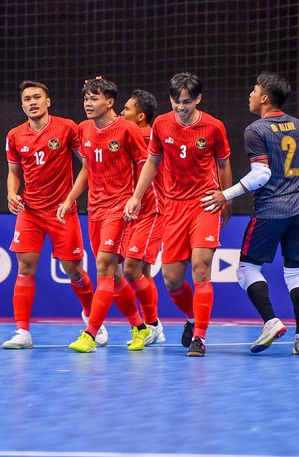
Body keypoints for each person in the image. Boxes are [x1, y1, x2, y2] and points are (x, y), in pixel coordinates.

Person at [200, 72, 299, 355]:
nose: (250, 95)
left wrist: (225, 195)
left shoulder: (256, 130)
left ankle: (270, 321)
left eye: (254, 90)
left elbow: (262, 174)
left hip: (271, 209)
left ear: (265, 98)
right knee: (297, 273)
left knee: (246, 269)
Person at [124, 72, 233, 357]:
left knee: (200, 269)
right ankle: (193, 317)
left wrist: (227, 198)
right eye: (175, 101)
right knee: (172, 280)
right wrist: (137, 196)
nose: (180, 107)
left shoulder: (213, 127)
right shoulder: (161, 124)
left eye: (186, 102)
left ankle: (200, 338)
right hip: (172, 207)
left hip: (205, 203)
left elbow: (223, 165)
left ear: (198, 99)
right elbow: (151, 162)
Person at [59, 77, 157, 353]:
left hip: (119, 208)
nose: (88, 104)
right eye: (86, 99)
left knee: (103, 266)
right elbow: (87, 169)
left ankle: (90, 333)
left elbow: (145, 167)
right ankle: (139, 327)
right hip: (95, 209)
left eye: (95, 98)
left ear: (110, 102)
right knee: (113, 274)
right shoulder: (84, 129)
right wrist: (70, 198)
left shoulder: (128, 130)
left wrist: (136, 200)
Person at [2, 80, 99, 349]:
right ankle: (22, 332)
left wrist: (71, 199)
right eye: (27, 99)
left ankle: (93, 320)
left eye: (37, 97)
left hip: (61, 210)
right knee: (25, 267)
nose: (32, 102)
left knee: (74, 270)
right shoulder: (14, 135)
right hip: (30, 211)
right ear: (22, 105)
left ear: (48, 101)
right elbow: (13, 173)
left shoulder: (67, 128)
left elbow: (87, 165)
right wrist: (12, 193)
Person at [118, 89, 166, 344]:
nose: (120, 114)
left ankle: (152, 324)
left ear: (140, 117)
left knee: (131, 268)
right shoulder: (129, 136)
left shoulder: (148, 137)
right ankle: (153, 325)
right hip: (135, 212)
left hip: (154, 210)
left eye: (126, 109)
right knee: (143, 273)